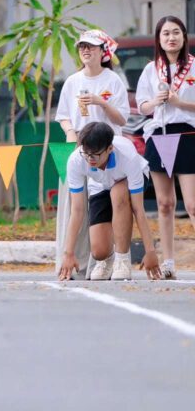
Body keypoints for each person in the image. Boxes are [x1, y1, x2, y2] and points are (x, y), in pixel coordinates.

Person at [53, 29, 128, 279]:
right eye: (82, 47)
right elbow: (63, 116)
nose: (85, 51)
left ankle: (109, 260)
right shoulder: (72, 81)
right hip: (77, 150)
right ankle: (70, 262)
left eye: (91, 47)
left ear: (102, 52)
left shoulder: (113, 81)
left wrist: (101, 102)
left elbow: (122, 119)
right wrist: (70, 132)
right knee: (73, 207)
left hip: (107, 153)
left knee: (104, 207)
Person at [57, 122, 160, 281]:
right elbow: (77, 210)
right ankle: (108, 260)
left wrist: (150, 251)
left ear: (110, 149)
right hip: (100, 184)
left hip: (128, 179)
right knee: (99, 251)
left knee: (117, 193)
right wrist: (69, 253)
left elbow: (138, 209)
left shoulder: (127, 157)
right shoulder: (76, 160)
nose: (90, 159)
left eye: (95, 154)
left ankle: (122, 259)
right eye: (86, 153)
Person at [136, 15, 195, 279]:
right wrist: (155, 101)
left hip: (188, 134)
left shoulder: (194, 65)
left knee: (192, 204)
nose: (171, 38)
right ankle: (168, 262)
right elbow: (142, 107)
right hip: (159, 135)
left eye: (176, 32)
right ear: (159, 39)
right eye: (166, 33)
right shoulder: (151, 69)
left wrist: (179, 103)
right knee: (165, 203)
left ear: (184, 36)